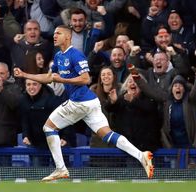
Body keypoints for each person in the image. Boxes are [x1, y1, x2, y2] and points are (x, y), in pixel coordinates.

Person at [14, 25, 154, 181]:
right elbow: (50, 78)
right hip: (90, 102)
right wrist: (25, 74)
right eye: (54, 34)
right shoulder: (59, 55)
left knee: (48, 127)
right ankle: (142, 156)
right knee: (107, 135)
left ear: (67, 37)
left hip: (79, 102)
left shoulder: (76, 55)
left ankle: (61, 169)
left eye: (58, 33)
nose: (54, 36)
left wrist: (63, 79)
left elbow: (86, 79)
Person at [20, 79, 76, 167]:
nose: (31, 87)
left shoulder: (53, 100)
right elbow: (25, 120)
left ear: (41, 85)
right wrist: (26, 135)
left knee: (62, 174)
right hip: (37, 144)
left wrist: (65, 137)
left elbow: (65, 118)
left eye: (34, 84)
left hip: (58, 142)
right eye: (28, 84)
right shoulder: (23, 100)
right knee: (38, 176)